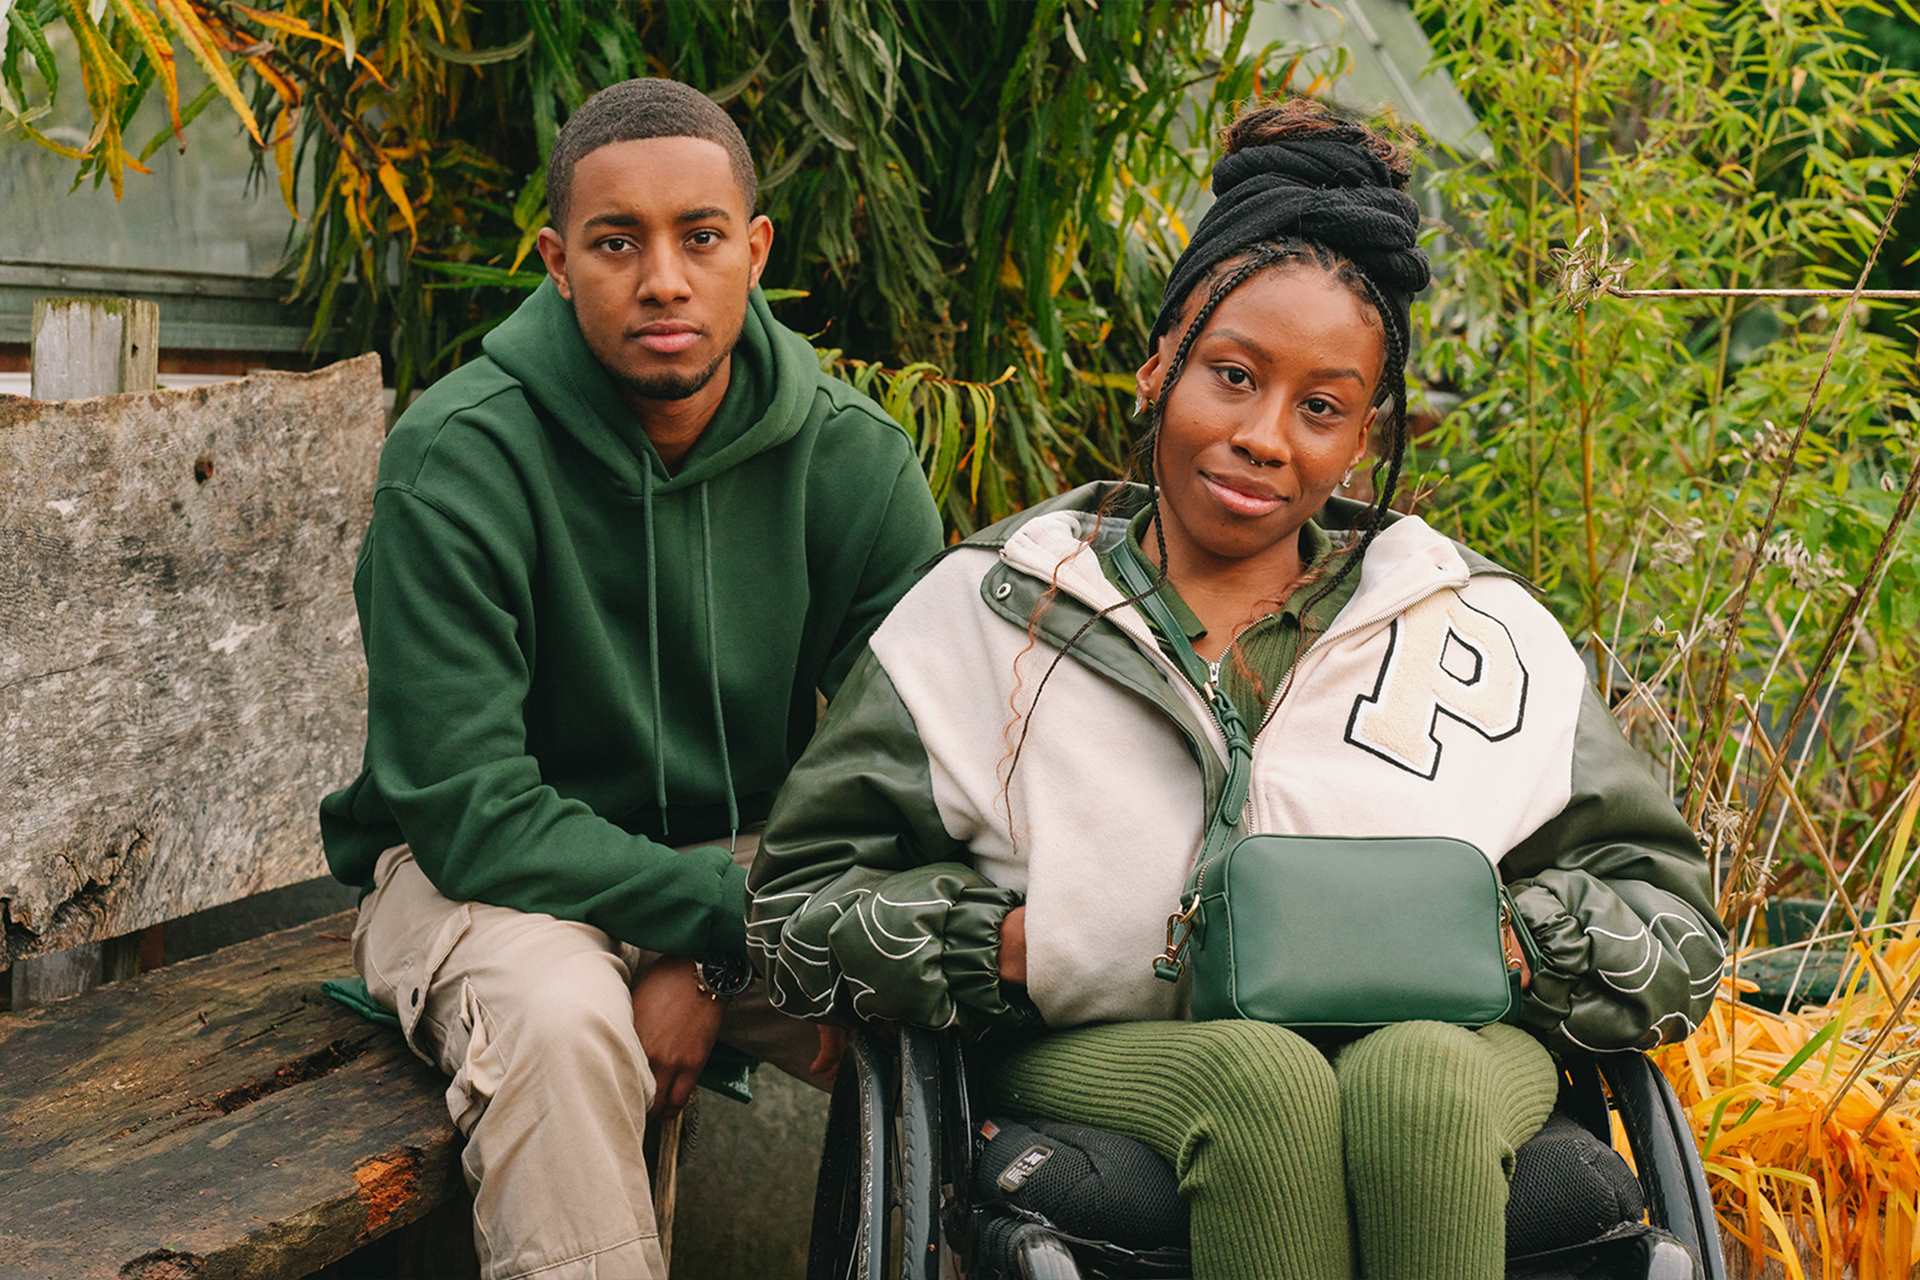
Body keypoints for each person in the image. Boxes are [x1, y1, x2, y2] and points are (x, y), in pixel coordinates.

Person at [747, 98, 1727, 1280]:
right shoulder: (985, 612)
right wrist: (1003, 943)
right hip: (1110, 1050)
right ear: (1160, 363)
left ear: (1365, 435)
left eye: (1321, 406)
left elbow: (1678, 930)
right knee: (1262, 1082)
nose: (1266, 436)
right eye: (1233, 375)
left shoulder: (1480, 631)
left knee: (1417, 1075)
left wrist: (1500, 946)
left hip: (1456, 1049)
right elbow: (794, 915)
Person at [319, 78, 943, 1280]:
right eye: (618, 242)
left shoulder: (852, 461)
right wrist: (709, 923)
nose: (663, 279)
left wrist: (702, 950)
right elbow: (467, 809)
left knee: (941, 978)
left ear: (753, 251)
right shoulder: (459, 458)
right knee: (564, 1021)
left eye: (699, 237)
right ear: (557, 262)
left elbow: (905, 768)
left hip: (743, 864)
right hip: (478, 883)